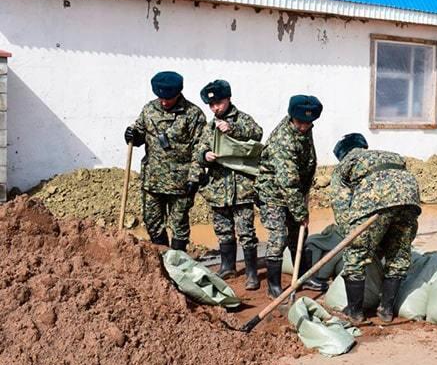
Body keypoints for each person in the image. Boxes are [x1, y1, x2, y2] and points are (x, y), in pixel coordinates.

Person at [330, 133, 422, 324]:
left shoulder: (345, 163)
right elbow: (399, 182)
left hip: (377, 198)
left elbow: (340, 204)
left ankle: (354, 312)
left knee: (356, 254)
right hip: (410, 198)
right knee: (399, 254)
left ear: (343, 153)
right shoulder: (388, 155)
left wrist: (353, 238)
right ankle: (386, 310)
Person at [124, 71, 206, 250]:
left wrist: (194, 176)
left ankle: (178, 262)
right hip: (152, 179)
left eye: (168, 98)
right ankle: (161, 258)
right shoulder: (149, 110)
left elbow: (200, 149)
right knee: (152, 221)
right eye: (160, 97)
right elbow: (139, 133)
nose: (163, 102)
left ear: (178, 94)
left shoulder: (193, 115)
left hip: (181, 182)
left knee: (179, 225)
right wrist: (133, 135)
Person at [196, 80, 264, 289]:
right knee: (223, 229)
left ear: (228, 99)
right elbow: (199, 150)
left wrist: (233, 128)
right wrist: (204, 155)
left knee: (246, 231)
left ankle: (252, 273)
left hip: (241, 188)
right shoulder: (209, 127)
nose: (215, 108)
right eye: (212, 105)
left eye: (219, 103)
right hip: (218, 187)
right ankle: (228, 266)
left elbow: (257, 133)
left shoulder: (243, 119)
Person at [255, 95, 322, 297]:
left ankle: (303, 276)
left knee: (299, 234)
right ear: (292, 116)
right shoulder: (283, 139)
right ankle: (274, 287)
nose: (303, 126)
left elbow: (306, 162)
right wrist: (301, 211)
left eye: (307, 123)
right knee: (279, 237)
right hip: (273, 193)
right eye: (300, 122)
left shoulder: (305, 130)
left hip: (294, 191)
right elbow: (287, 181)